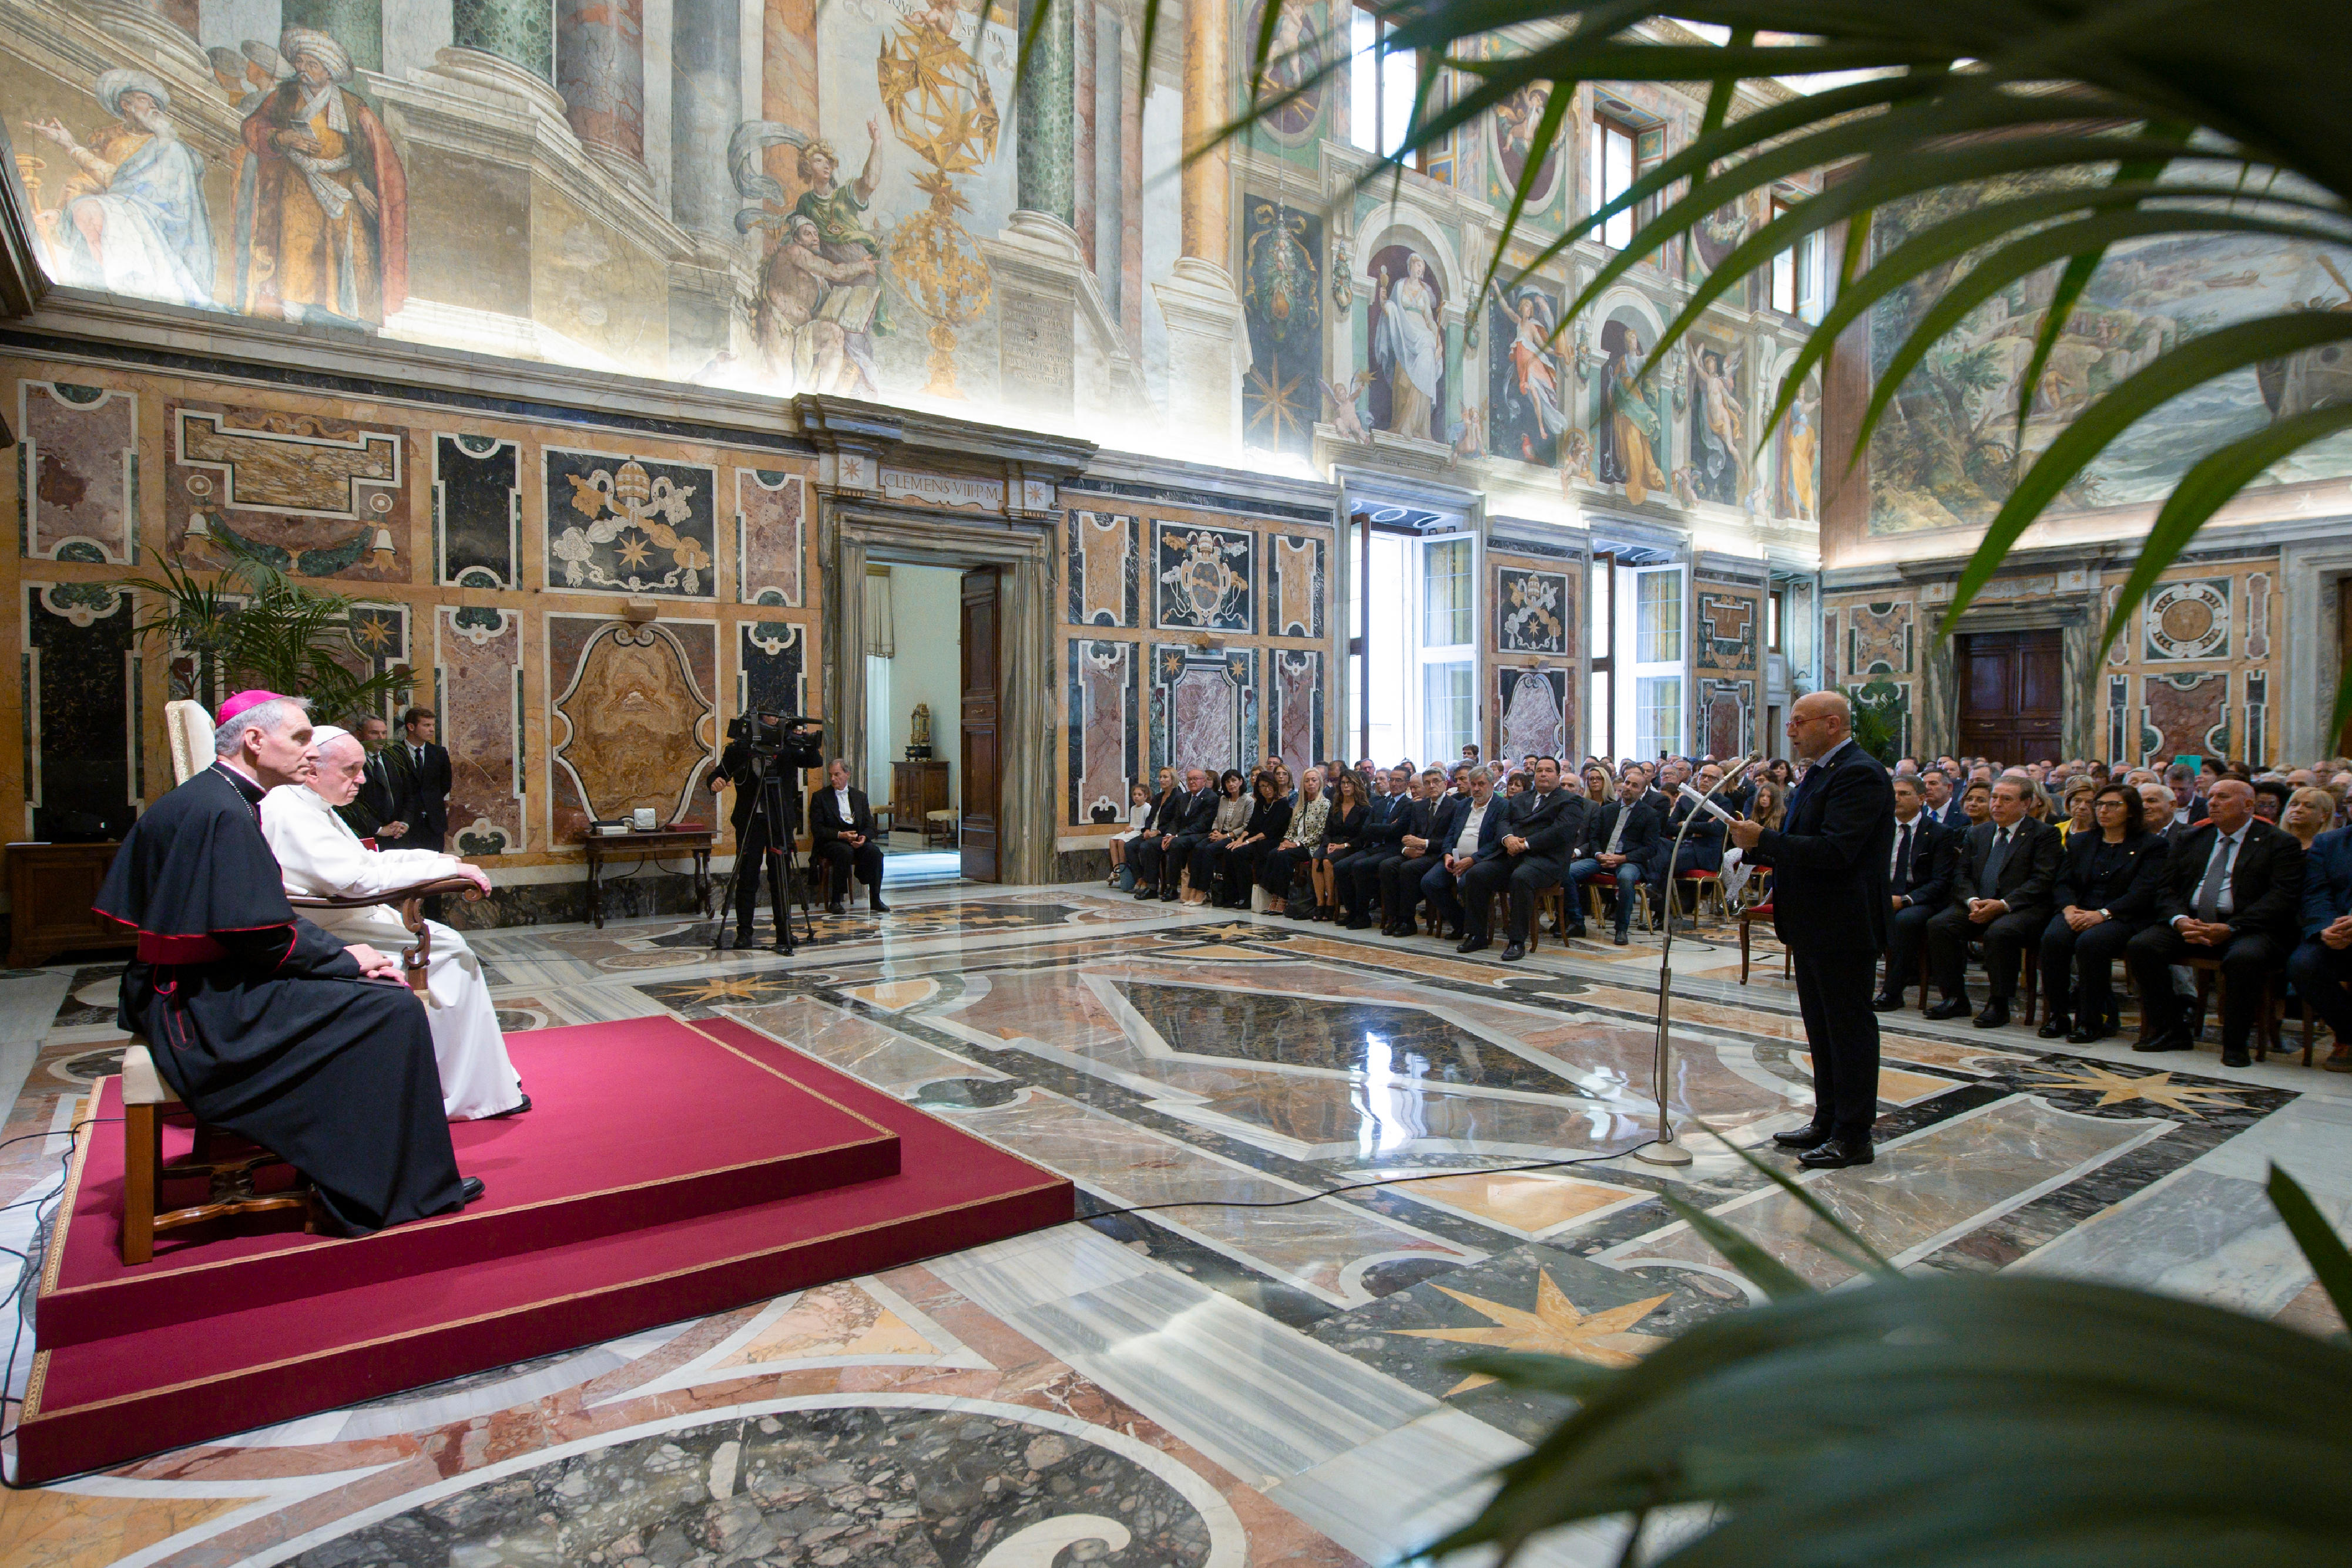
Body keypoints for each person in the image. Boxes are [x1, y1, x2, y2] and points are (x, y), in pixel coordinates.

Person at [94, 693, 478, 1234]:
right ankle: (380, 1188)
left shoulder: (216, 796)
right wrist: (346, 958)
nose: (310, 750)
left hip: (190, 986)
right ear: (255, 740)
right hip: (199, 1008)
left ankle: (371, 1175)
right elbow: (259, 934)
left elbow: (254, 921)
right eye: (299, 738)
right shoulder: (224, 810)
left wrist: (343, 960)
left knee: (379, 999)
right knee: (391, 1009)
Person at [262, 726, 527, 1120]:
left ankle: (482, 1082)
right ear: (314, 769)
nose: (362, 779)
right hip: (328, 932)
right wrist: (443, 870)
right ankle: (459, 1093)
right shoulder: (288, 809)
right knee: (449, 950)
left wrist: (441, 861)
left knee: (448, 941)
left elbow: (364, 861)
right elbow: (356, 880)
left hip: (345, 918)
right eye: (351, 770)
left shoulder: (310, 804)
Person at [1730, 693, 1893, 1169]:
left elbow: (1836, 851)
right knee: (1821, 1030)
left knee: (1848, 1030)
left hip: (1843, 922)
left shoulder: (1860, 773)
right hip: (1812, 921)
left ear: (1832, 723)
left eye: (1799, 722)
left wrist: (1765, 838)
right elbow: (1800, 841)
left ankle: (1853, 1134)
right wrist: (1756, 847)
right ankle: (1827, 1120)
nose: (1790, 730)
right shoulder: (1820, 772)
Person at [233, 27, 408, 327]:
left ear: (328, 71)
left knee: (346, 254)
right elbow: (252, 127)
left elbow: (365, 158)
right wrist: (282, 137)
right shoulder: (284, 97)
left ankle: (345, 317)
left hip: (341, 190)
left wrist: (360, 186)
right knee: (296, 253)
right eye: (300, 62)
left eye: (311, 64)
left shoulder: (352, 107)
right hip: (296, 188)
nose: (303, 69)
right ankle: (291, 313)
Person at [2125, 778, 2304, 1067]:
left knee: (2244, 958)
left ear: (2249, 805)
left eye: (2223, 797)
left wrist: (2232, 927)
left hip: (2248, 927)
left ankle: (2235, 1043)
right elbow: (2166, 888)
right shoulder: (2192, 837)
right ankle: (2172, 1029)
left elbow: (2282, 898)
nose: (2213, 803)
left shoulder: (2279, 842)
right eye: (2210, 797)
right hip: (2193, 921)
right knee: (2142, 946)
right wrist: (2179, 919)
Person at [24, 68, 215, 308]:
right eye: (145, 100)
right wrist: (60, 211)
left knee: (92, 209)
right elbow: (91, 182)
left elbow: (125, 182)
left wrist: (70, 146)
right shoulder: (112, 141)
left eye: (156, 104)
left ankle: (120, 288)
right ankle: (103, 288)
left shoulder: (170, 148)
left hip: (155, 222)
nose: (153, 108)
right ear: (126, 105)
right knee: (85, 208)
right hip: (118, 213)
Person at [1925, 777, 2062, 1028]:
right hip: (1978, 903)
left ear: (2026, 803)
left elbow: (2042, 880)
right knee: (1940, 925)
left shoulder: (2044, 834)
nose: (1996, 804)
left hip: (2020, 908)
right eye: (1995, 798)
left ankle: (1999, 1003)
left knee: (2000, 932)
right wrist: (1972, 900)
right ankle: (1955, 997)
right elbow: (1961, 874)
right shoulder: (1978, 832)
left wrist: (2003, 904)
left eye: (2006, 799)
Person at [2036, 784, 2166, 1043]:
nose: (2104, 810)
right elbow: (2063, 883)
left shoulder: (2152, 846)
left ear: (2131, 811)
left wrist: (2103, 914)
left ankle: (2091, 1019)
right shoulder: (2081, 841)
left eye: (2113, 805)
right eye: (2100, 805)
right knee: (2053, 939)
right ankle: (2058, 1014)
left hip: (2123, 914)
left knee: (2091, 943)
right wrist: (2069, 909)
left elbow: (2144, 892)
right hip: (2080, 910)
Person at [1459, 756, 1585, 961]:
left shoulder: (1570, 801)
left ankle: (1516, 941)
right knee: (1477, 874)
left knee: (1521, 878)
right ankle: (1477, 935)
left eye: (1549, 771)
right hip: (1512, 855)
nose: (1543, 774)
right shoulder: (1520, 798)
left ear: (1558, 775)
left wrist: (1525, 844)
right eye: (1539, 770)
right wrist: (1508, 839)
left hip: (1546, 861)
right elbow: (1504, 822)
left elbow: (1560, 832)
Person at [1875, 774, 1954, 1012]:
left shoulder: (1938, 832)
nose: (1896, 799)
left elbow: (1941, 881)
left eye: (1904, 794)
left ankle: (1892, 992)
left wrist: (1906, 900)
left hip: (1920, 897)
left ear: (1921, 799)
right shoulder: (1881, 828)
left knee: (1904, 921)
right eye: (1894, 794)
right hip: (1885, 892)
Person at [2289, 806, 2352, 1072]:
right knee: (2304, 965)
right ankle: (2348, 1033)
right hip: (2339, 930)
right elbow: (2316, 893)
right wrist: (2327, 928)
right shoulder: (2330, 842)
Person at [1569, 770, 1661, 945]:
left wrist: (1623, 858)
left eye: (1635, 786)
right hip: (1601, 858)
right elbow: (1594, 838)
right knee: (1568, 872)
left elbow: (1651, 848)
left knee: (1626, 878)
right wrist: (1599, 854)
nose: (1628, 788)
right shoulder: (1607, 810)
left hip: (1629, 861)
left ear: (1643, 791)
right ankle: (1577, 922)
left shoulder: (1650, 814)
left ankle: (1621, 929)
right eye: (1627, 783)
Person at [1348, 768, 1442, 928]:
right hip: (1383, 847)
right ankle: (1370, 915)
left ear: (1406, 784)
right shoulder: (1382, 803)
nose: (1393, 783)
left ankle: (1401, 919)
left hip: (1404, 849)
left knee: (1382, 866)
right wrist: (1399, 841)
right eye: (1391, 780)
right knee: (1343, 866)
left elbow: (1397, 831)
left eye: (1398, 780)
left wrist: (1378, 829)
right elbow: (1366, 830)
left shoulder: (1410, 805)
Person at [1420, 766, 1505, 939]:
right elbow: (1451, 834)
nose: (1476, 788)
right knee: (1430, 882)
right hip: (1456, 858)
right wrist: (1447, 854)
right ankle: (1461, 923)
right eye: (1473, 784)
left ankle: (1477, 935)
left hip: (1483, 861)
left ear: (1492, 785)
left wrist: (1473, 859)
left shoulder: (1502, 806)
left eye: (1481, 784)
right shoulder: (1463, 805)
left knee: (1467, 882)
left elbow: (1497, 842)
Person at [1651, 760, 1729, 929]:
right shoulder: (1686, 799)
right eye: (1703, 776)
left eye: (1711, 778)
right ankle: (1653, 886)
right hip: (1682, 844)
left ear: (1719, 782)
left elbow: (1716, 829)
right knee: (1655, 847)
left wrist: (1685, 824)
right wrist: (1700, 826)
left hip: (1703, 851)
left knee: (1667, 863)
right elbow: (1670, 826)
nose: (1705, 780)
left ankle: (1660, 914)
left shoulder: (1723, 803)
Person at [809, 758, 889, 914]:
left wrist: (863, 837)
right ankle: (836, 900)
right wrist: (841, 835)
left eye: (837, 774)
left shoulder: (860, 797)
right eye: (831, 775)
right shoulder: (820, 797)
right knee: (844, 851)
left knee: (875, 852)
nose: (833, 779)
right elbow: (817, 829)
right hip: (833, 841)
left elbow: (871, 827)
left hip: (856, 840)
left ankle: (876, 899)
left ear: (847, 774)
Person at [1134, 767, 1215, 901]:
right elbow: (1176, 820)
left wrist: (1176, 836)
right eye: (1189, 779)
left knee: (1176, 843)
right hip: (1181, 834)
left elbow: (1202, 824)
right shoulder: (1185, 797)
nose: (1192, 782)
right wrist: (1168, 835)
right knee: (1148, 845)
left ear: (1204, 781)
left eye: (1195, 779)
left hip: (1200, 834)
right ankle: (1152, 887)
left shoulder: (1210, 797)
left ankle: (1172, 888)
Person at [1217, 773, 1291, 908]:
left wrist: (1247, 842)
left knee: (1240, 852)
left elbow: (1271, 831)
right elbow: (1251, 826)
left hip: (1271, 841)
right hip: (1256, 840)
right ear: (1258, 788)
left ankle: (1246, 897)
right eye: (1263, 786)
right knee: (1230, 849)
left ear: (1275, 786)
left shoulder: (1283, 804)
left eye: (1269, 786)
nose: (1267, 789)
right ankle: (1231, 896)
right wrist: (1240, 840)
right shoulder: (1260, 803)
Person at [387, 705, 452, 852]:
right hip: (405, 823)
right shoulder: (393, 754)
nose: (432, 730)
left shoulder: (439, 753)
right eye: (426, 725)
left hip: (434, 823)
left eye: (433, 725)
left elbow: (445, 785)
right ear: (411, 727)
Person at [1309, 770, 1373, 919]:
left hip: (1351, 846)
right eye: (1343, 783)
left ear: (1356, 785)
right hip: (1333, 843)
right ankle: (1320, 903)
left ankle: (1331, 902)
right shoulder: (1336, 806)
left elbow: (1363, 837)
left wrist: (1344, 846)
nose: (1346, 786)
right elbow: (1327, 831)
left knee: (1327, 861)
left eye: (1349, 783)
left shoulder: (1365, 809)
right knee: (1316, 859)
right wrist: (1328, 844)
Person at [1264, 767, 1328, 916]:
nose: (1310, 784)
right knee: (1274, 852)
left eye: (1314, 780)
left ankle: (1283, 897)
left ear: (1320, 783)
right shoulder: (1300, 805)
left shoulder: (1324, 804)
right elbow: (1292, 829)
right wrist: (1286, 841)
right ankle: (1275, 895)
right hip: (1294, 844)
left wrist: (1296, 844)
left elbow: (1320, 833)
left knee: (1283, 856)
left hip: (1310, 846)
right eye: (1307, 781)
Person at [1721, 776, 1783, 906]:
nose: (1764, 799)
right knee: (1726, 858)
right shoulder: (1754, 813)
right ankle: (1735, 898)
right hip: (1748, 847)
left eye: (1768, 797)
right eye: (1762, 796)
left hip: (1766, 850)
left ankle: (1729, 898)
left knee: (1746, 864)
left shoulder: (1781, 816)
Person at [1191, 770, 1250, 906]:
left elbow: (1246, 826)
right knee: (1198, 847)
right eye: (1228, 782)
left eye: (1234, 781)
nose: (1231, 784)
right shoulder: (1223, 799)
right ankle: (1193, 889)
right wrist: (1215, 831)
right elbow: (1217, 819)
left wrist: (1225, 836)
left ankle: (1202, 891)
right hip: (1220, 834)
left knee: (1209, 850)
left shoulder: (1248, 801)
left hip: (1234, 837)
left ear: (1241, 782)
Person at [343, 713, 404, 841]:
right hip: (367, 833)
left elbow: (408, 794)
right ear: (359, 735)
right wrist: (379, 829)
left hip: (396, 832)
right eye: (374, 733)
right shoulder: (351, 762)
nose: (381, 738)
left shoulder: (394, 758)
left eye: (384, 733)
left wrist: (404, 823)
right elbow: (352, 802)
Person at [1108, 781, 1153, 887]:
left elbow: (1147, 826)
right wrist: (1130, 829)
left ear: (1145, 796)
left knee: (1121, 842)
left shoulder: (1147, 808)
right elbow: (1133, 823)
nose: (1136, 797)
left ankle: (1123, 868)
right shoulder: (1133, 808)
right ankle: (1116, 869)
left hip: (1139, 832)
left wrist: (1133, 828)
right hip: (1132, 831)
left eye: (1139, 795)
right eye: (1135, 794)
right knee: (1112, 840)